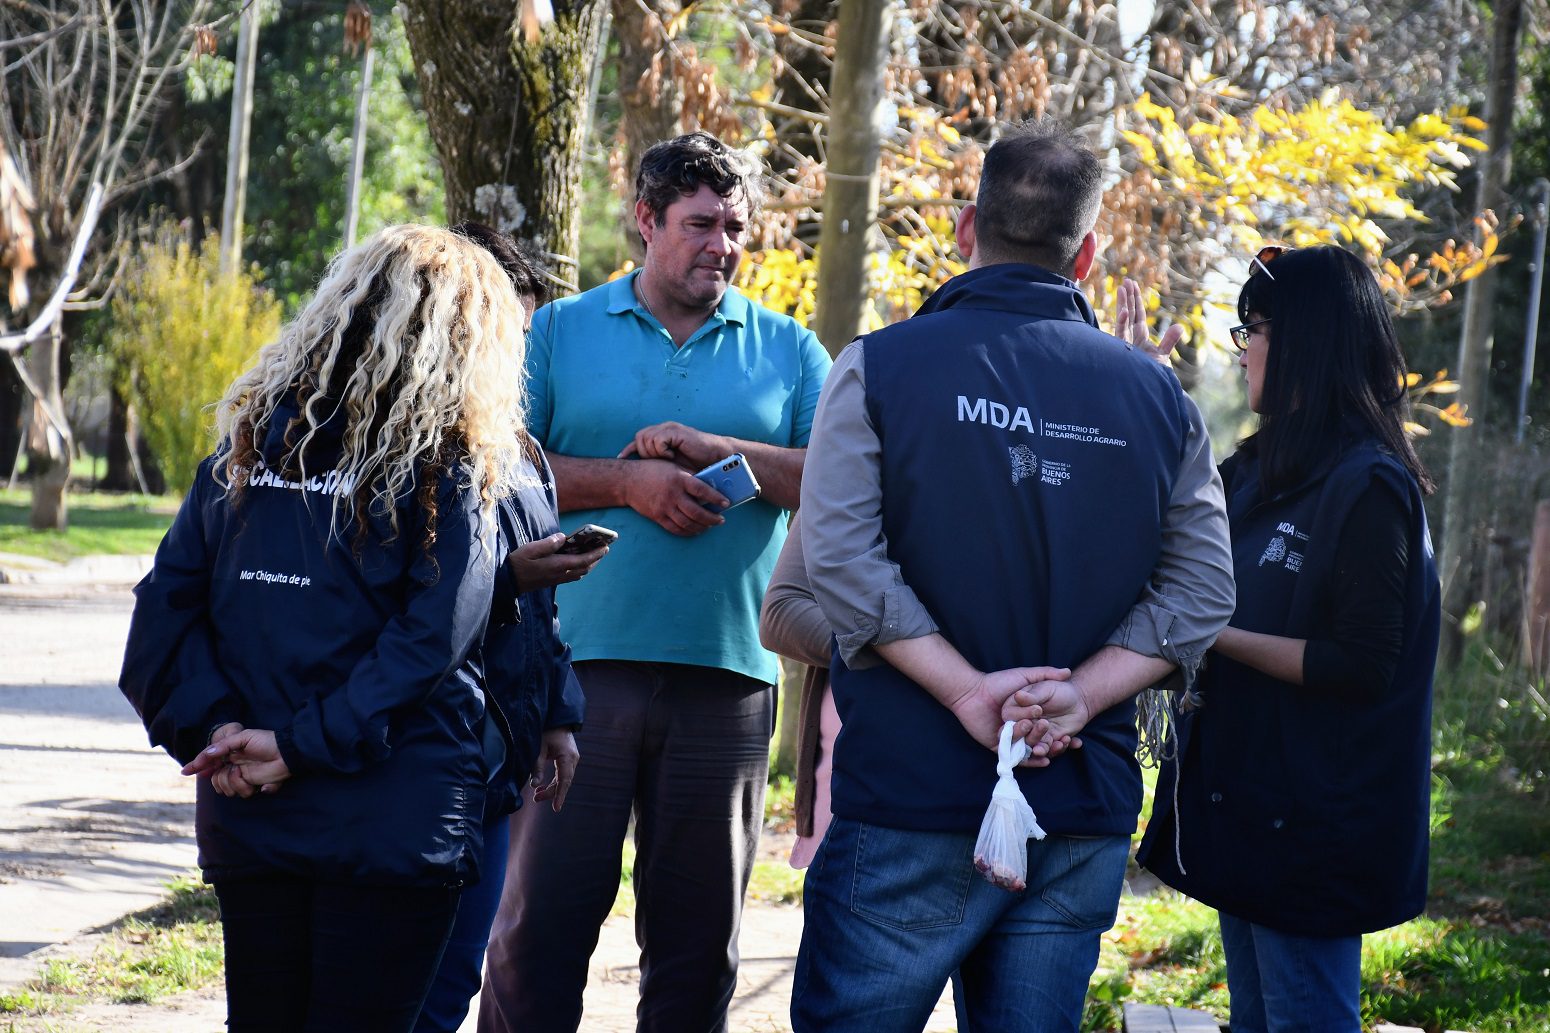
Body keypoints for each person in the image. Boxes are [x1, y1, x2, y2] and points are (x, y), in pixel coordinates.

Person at [793, 117, 1235, 1033]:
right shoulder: (1161, 399)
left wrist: (965, 693)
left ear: (967, 227)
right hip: (1079, 800)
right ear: (1087, 256)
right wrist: (1077, 694)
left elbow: (836, 558)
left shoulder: (876, 367)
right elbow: (1202, 589)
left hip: (912, 799)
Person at [119, 225, 535, 1033]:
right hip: (390, 823)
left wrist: (223, 732)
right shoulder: (451, 469)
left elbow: (160, 619)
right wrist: (291, 745)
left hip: (252, 804)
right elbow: (431, 639)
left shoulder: (245, 446)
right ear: (470, 339)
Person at [478, 131, 833, 1033]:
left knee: (696, 949)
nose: (723, 244)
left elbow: (842, 476)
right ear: (645, 220)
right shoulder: (558, 330)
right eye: (701, 223)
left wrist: (725, 454)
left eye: (735, 227)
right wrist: (625, 481)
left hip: (729, 678)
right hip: (572, 675)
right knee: (537, 934)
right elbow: (499, 467)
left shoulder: (790, 349)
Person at [1136, 245, 1441, 1033]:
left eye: (1256, 329)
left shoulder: (1371, 485)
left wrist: (1213, 635)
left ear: (1307, 337)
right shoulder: (1256, 470)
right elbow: (1168, 533)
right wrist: (1140, 390)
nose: (1243, 351)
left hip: (1314, 833)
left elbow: (1362, 663)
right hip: (1247, 814)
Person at [412, 223, 603, 1033]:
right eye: (501, 333)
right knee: (395, 991)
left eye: (522, 335)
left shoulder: (518, 446)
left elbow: (538, 614)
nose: (514, 359)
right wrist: (506, 577)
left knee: (454, 981)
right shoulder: (396, 446)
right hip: (407, 762)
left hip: (494, 765)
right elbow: (395, 603)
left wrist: (557, 714)